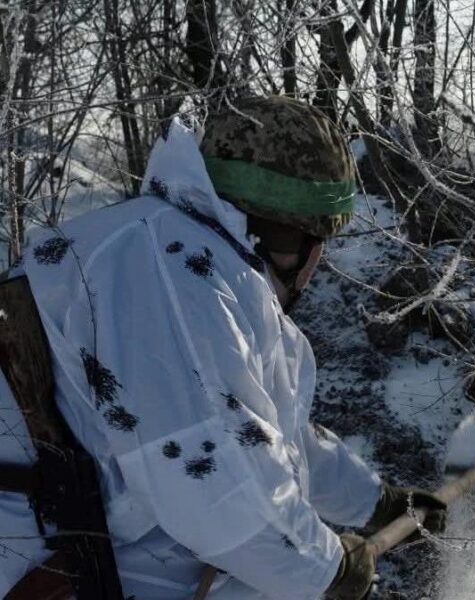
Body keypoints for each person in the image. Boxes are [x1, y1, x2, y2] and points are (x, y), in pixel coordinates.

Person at [0, 96, 445, 600]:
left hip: (108, 547)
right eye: (303, 236)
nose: (315, 259)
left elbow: (272, 437)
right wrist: (328, 569)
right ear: (274, 230)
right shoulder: (168, 272)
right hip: (48, 566)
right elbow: (211, 481)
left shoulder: (190, 257)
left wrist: (376, 503)